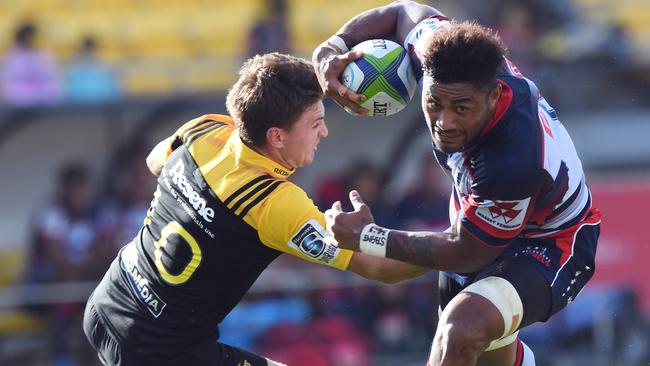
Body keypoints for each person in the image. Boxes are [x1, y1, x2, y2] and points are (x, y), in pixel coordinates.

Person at [82, 52, 428, 366]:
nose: (324, 131)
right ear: (276, 137)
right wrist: (462, 244)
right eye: (314, 123)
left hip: (106, 303)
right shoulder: (273, 203)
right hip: (160, 351)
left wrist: (193, 201)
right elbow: (383, 268)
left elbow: (155, 160)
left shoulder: (205, 129)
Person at [313, 1, 601, 365]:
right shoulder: (442, 54)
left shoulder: (514, 157)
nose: (444, 122)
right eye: (434, 103)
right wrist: (332, 48)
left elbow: (470, 251)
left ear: (494, 96)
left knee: (461, 327)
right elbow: (403, 12)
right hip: (479, 219)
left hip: (553, 242)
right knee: (474, 351)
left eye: (461, 108)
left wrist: (369, 237)